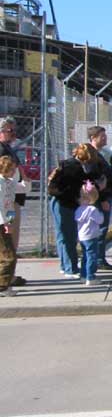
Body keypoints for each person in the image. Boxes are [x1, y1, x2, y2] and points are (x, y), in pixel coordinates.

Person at [47, 143, 104, 278]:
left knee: (63, 235)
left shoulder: (69, 165)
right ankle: (70, 268)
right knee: (68, 236)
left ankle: (66, 265)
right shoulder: (74, 168)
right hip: (64, 203)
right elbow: (78, 184)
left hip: (60, 201)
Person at [0, 117, 29, 263]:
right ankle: (6, 276)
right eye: (10, 130)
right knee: (8, 239)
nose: (13, 134)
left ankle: (9, 273)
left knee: (12, 237)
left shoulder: (8, 148)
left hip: (13, 199)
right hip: (7, 202)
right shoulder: (2, 150)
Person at [86, 126, 112, 271]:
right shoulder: (92, 156)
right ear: (93, 138)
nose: (105, 138)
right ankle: (98, 259)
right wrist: (103, 199)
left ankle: (99, 258)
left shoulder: (99, 154)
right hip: (99, 199)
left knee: (101, 229)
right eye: (102, 136)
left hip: (103, 196)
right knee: (99, 229)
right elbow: (96, 180)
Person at [0, 155, 23, 296]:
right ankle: (2, 286)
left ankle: (5, 285)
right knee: (9, 256)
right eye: (13, 169)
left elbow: (24, 189)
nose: (15, 172)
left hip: (5, 220)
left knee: (6, 255)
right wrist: (6, 223)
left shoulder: (8, 183)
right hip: (1, 223)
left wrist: (26, 178)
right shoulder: (1, 185)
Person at [75, 182, 104, 286]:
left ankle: (83, 275)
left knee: (85, 256)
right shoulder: (92, 209)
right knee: (92, 256)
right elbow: (100, 220)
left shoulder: (78, 210)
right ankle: (90, 277)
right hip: (91, 235)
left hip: (82, 236)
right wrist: (101, 214)